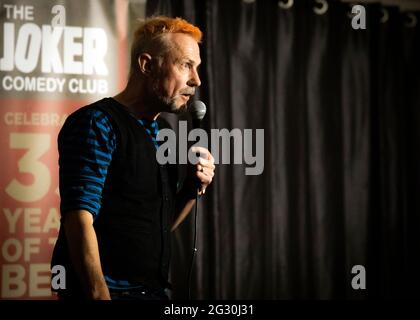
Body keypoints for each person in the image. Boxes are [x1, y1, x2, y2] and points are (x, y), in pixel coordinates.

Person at [51, 16, 215, 300]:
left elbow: (157, 223)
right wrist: (99, 294)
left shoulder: (162, 132)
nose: (196, 80)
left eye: (196, 67)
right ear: (147, 65)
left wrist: (191, 187)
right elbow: (78, 218)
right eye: (185, 65)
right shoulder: (97, 122)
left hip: (152, 291)